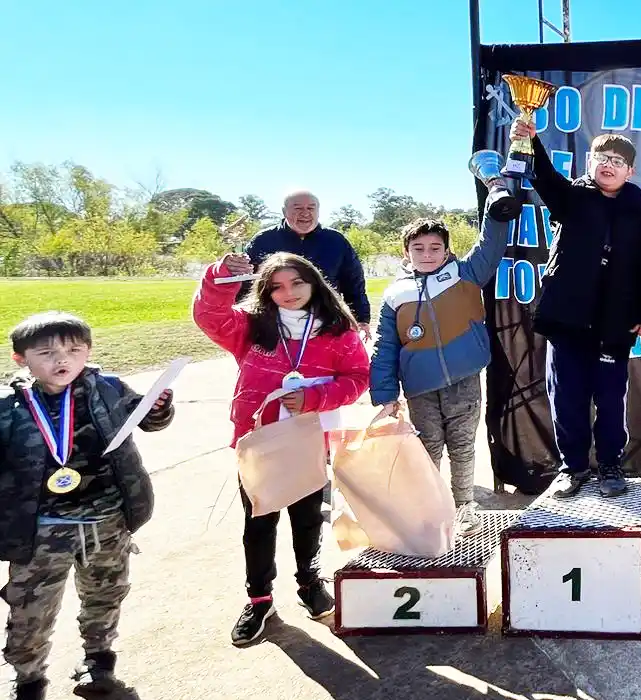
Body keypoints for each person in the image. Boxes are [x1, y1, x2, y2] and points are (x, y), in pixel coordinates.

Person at [2, 312, 174, 700]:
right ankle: (27, 683)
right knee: (30, 610)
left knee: (105, 592)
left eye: (73, 350)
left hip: (107, 520)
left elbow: (149, 423)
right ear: (21, 358)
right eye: (46, 353)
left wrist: (159, 407)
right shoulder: (9, 408)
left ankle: (98, 659)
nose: (62, 360)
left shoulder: (109, 388)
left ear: (88, 352)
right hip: (41, 529)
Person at [194, 252, 370, 646]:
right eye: (276, 287)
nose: (287, 293)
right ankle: (259, 598)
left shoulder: (338, 329)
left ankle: (309, 583)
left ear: (314, 283)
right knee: (259, 523)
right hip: (259, 442)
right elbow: (210, 317)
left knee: (307, 520)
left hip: (310, 441)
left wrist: (315, 398)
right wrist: (219, 276)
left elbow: (357, 378)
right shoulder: (252, 326)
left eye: (296, 283)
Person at [512, 118, 641, 498]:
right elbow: (546, 179)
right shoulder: (573, 198)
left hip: (615, 324)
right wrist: (533, 143)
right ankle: (573, 467)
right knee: (566, 396)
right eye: (602, 157)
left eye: (617, 160)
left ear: (630, 171)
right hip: (568, 319)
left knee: (611, 399)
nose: (608, 165)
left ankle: (611, 465)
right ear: (589, 162)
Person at [370, 196, 522, 537]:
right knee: (427, 450)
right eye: (419, 248)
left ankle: (465, 508)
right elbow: (385, 347)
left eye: (435, 248)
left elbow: (490, 244)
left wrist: (497, 206)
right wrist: (385, 394)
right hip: (419, 388)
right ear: (405, 253)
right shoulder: (396, 294)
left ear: (447, 251)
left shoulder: (465, 274)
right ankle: (429, 513)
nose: (427, 255)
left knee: (464, 447)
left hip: (464, 381)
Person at [244, 190, 372, 340]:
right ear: (284, 211)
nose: (305, 213)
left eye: (311, 208)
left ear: (318, 211)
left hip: (326, 321)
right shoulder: (263, 240)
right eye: (298, 208)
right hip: (275, 324)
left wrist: (361, 318)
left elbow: (354, 283)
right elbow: (246, 284)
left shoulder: (336, 241)